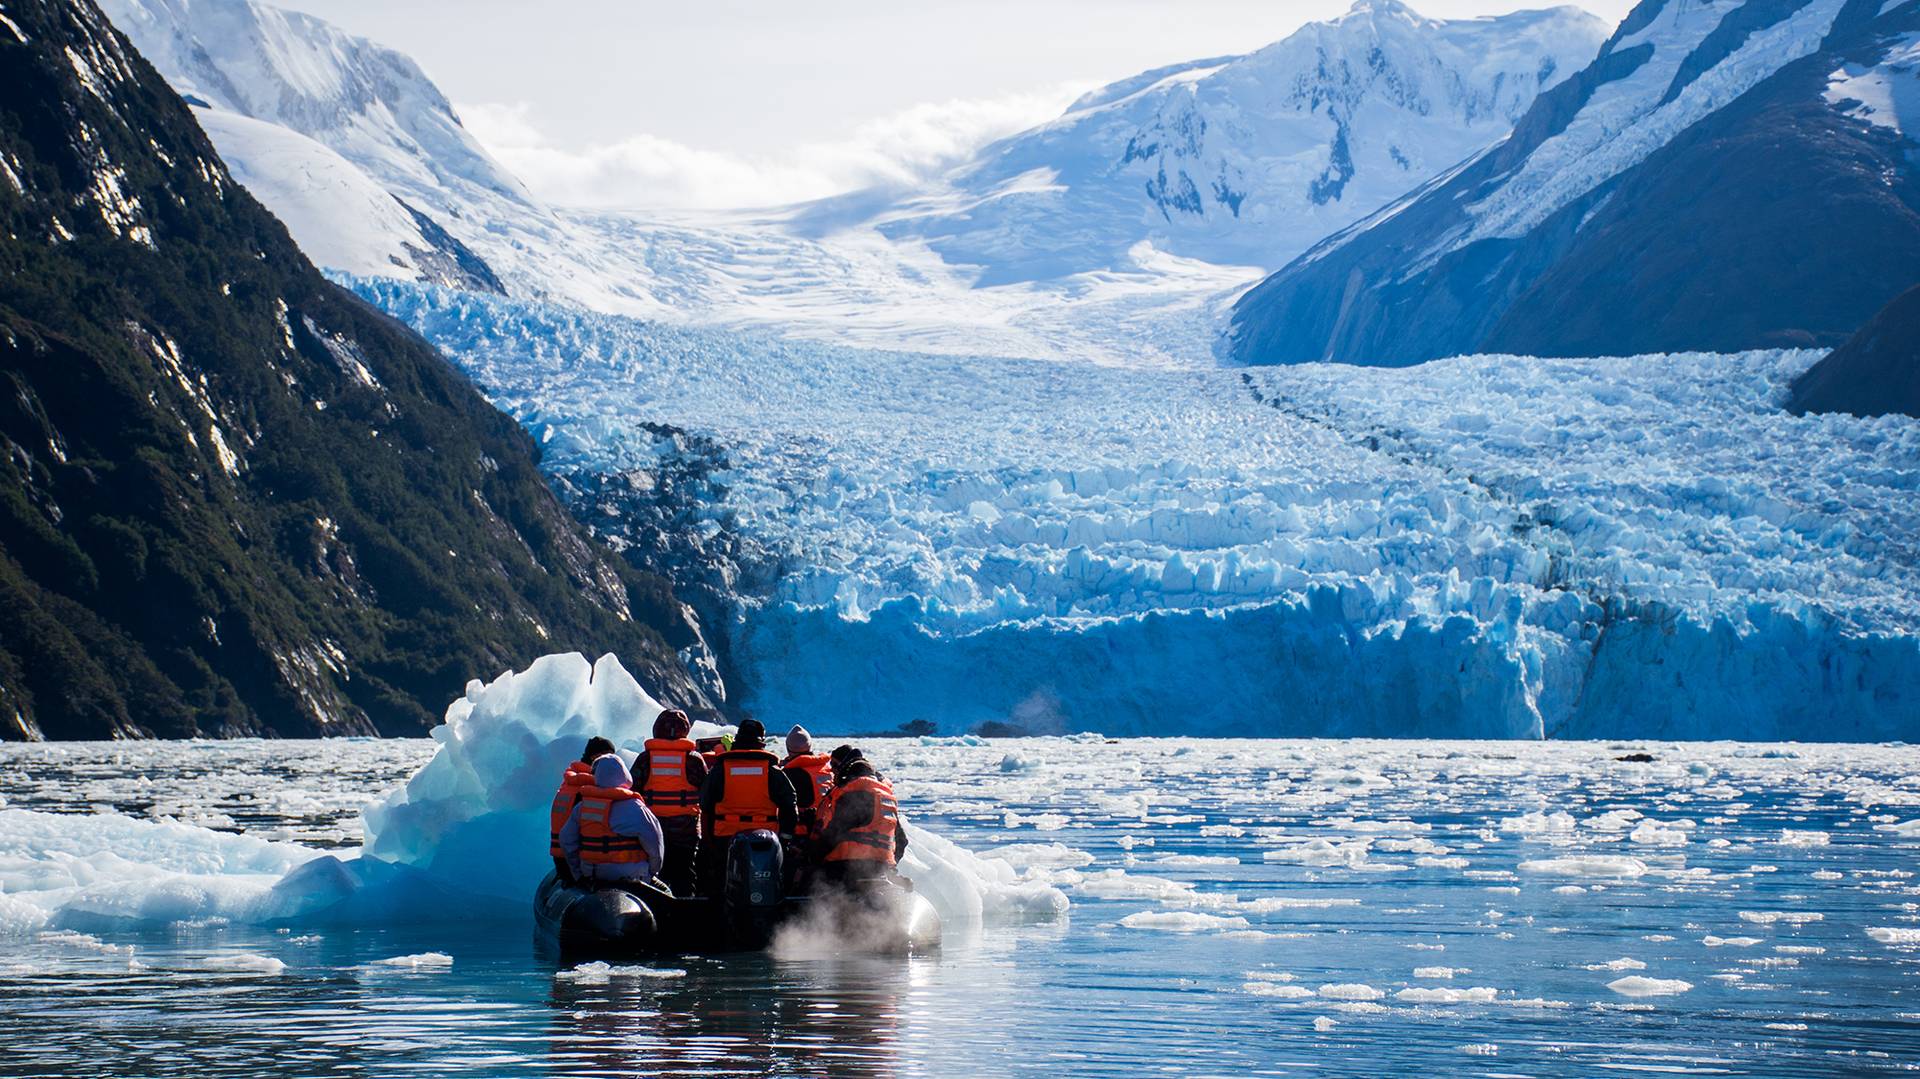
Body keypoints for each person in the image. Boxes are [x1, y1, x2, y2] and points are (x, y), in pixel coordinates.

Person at [697, 719, 797, 896]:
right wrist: (785, 839)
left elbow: (706, 805)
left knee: (722, 888)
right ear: (761, 742)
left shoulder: (720, 771)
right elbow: (790, 806)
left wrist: (708, 841)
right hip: (765, 841)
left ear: (737, 740)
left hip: (725, 838)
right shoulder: (772, 771)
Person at [559, 752, 666, 887]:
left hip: (593, 875)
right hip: (632, 876)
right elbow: (655, 841)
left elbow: (566, 840)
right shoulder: (636, 808)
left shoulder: (582, 808)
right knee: (666, 892)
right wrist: (653, 871)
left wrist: (578, 874)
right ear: (625, 776)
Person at [635, 709, 707, 896]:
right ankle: (686, 913)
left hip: (652, 825)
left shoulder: (645, 759)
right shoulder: (694, 760)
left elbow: (632, 790)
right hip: (685, 827)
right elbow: (706, 791)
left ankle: (656, 914)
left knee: (656, 873)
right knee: (684, 872)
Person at [812, 749, 908, 888]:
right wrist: (889, 868)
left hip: (844, 867)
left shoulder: (852, 794)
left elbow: (833, 834)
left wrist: (812, 856)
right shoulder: (886, 798)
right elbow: (902, 840)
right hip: (880, 868)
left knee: (808, 878)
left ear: (848, 776)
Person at [549, 736, 616, 882]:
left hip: (560, 859)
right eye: (607, 756)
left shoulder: (570, 783)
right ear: (594, 757)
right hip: (577, 863)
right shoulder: (588, 789)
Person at [779, 725, 834, 843]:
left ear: (788, 749)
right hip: (827, 829)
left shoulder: (789, 774)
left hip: (801, 832)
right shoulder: (827, 767)